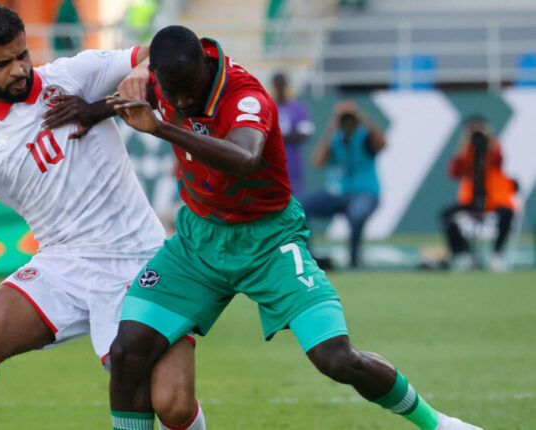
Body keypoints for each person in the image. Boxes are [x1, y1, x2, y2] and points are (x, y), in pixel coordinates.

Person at [104, 25, 480, 430]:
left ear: (204, 66)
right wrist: (87, 110)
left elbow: (245, 158)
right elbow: (131, 96)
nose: (180, 100)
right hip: (198, 241)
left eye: (187, 90)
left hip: (269, 240)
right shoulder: (167, 81)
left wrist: (161, 127)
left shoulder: (245, 96)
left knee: (336, 358)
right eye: (171, 91)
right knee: (127, 353)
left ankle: (438, 424)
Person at [0, 5, 203, 430]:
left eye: (22, 55)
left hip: (141, 258)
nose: (18, 70)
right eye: (1, 64)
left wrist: (140, 73)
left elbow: (163, 49)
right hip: (63, 264)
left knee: (172, 405)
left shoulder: (75, 75)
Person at [300, 100, 385, 268]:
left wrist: (362, 118)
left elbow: (382, 144)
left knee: (357, 214)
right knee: (300, 207)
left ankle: (354, 258)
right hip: (337, 192)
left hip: (364, 191)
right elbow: (318, 162)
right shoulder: (335, 138)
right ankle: (308, 255)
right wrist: (331, 128)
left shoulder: (364, 136)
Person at [440, 115, 517, 272]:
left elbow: (499, 159)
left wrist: (488, 141)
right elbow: (454, 172)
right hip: (471, 201)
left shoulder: (493, 147)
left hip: (494, 200)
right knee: (447, 216)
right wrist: (465, 145)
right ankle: (463, 254)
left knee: (507, 213)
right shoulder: (466, 150)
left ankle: (496, 254)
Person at [272, 72, 314, 197]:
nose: (280, 89)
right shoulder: (268, 107)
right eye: (277, 85)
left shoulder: (298, 108)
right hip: (272, 164)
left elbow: (305, 133)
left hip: (293, 162)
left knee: (295, 197)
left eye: (282, 85)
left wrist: (277, 137)